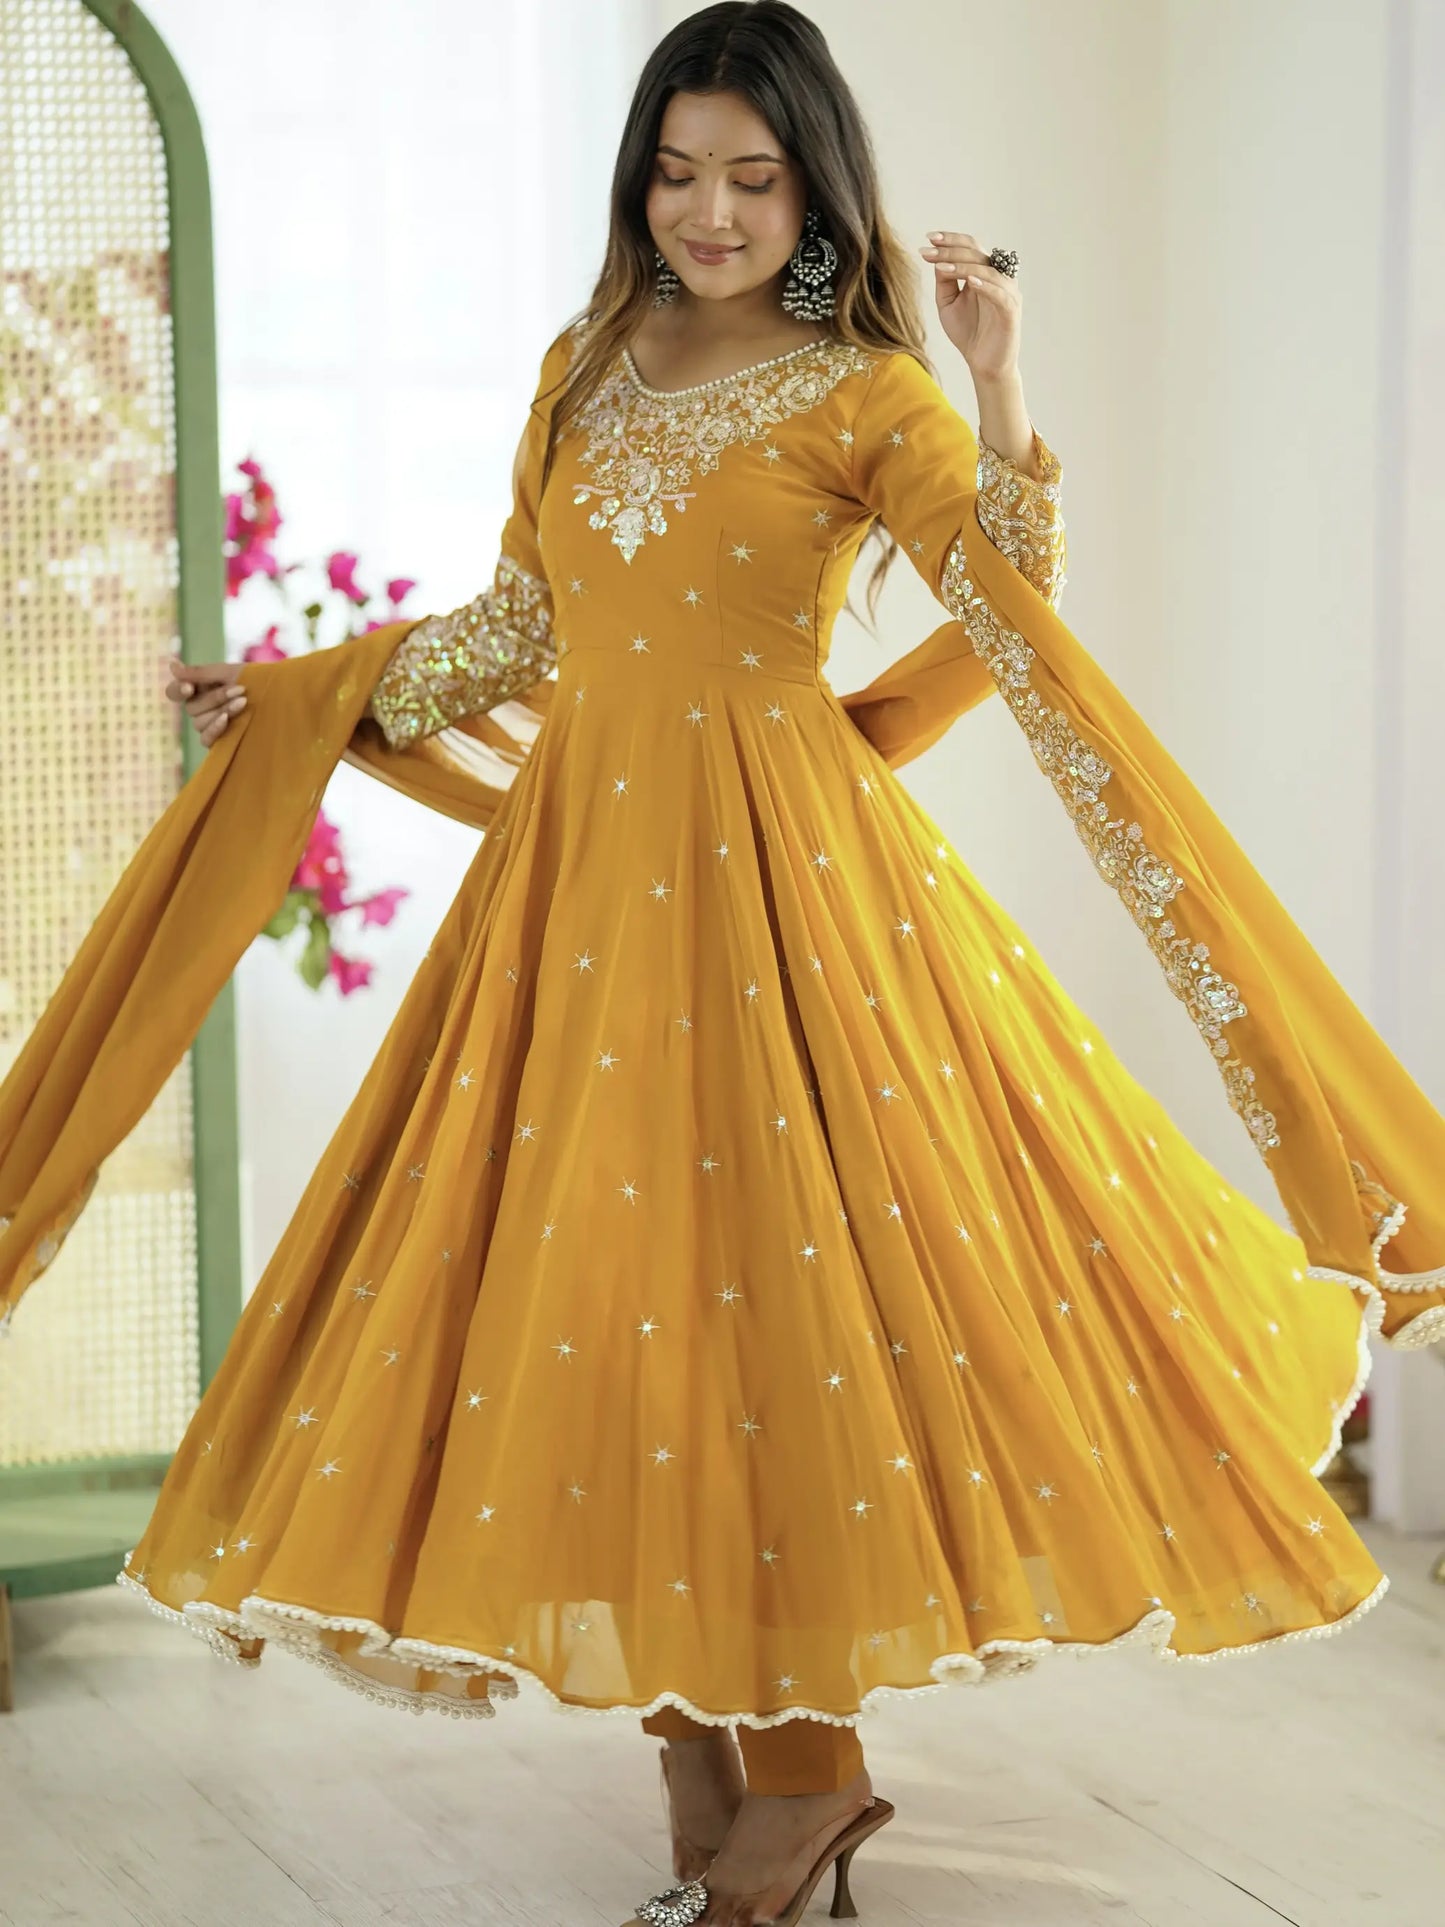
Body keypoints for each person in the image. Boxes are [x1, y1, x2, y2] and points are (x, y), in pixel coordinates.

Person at [4, 5, 1443, 1926]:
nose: (709, 212)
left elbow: (1003, 591)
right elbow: (527, 621)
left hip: (781, 901)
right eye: (677, 172)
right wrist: (303, 702)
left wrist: (1003, 391)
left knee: (777, 1302)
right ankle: (709, 1770)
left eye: (752, 178)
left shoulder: (866, 394)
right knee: (614, 1295)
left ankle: (803, 1790)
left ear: (815, 184)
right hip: (582, 896)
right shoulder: (583, 369)